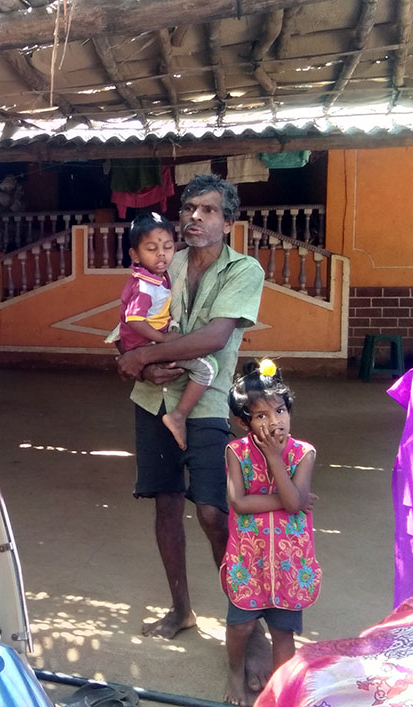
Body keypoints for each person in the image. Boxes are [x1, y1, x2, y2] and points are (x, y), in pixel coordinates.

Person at [116, 174, 269, 687]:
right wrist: (132, 359)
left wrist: (145, 355)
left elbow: (214, 335)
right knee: (164, 505)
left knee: (210, 510)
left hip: (204, 402)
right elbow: (129, 320)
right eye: (189, 208)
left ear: (228, 221)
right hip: (151, 398)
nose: (195, 217)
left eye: (208, 210)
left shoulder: (244, 269)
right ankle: (181, 609)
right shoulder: (165, 262)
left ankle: (252, 629)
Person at [222, 360, 320, 706]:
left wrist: (276, 460)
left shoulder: (302, 453)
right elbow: (239, 502)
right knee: (240, 626)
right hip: (249, 558)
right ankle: (235, 670)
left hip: (290, 563)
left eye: (279, 410)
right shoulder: (236, 452)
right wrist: (290, 497)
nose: (273, 421)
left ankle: (280, 692)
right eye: (261, 416)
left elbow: (295, 506)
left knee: (283, 633)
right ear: (243, 423)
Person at [117, 212, 217, 450]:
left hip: (153, 337)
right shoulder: (144, 286)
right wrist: (163, 340)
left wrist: (182, 242)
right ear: (135, 254)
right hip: (148, 343)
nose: (162, 254)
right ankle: (179, 415)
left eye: (168, 247)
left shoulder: (152, 275)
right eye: (151, 248)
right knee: (208, 367)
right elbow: (134, 319)